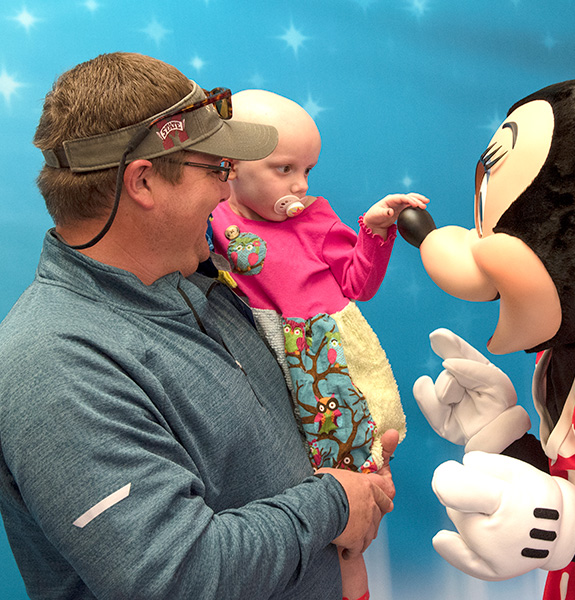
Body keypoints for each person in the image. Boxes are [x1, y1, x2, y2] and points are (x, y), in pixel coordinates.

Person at [0, 52, 397, 600]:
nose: (224, 192)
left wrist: (352, 458)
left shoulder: (207, 288)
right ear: (142, 182)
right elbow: (177, 576)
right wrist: (334, 503)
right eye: (217, 169)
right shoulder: (54, 366)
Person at [208, 89, 428, 600]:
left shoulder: (313, 217)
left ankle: (356, 578)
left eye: (308, 169)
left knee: (357, 497)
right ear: (230, 166)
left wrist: (374, 233)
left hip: (327, 353)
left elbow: (357, 284)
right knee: (302, 494)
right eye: (284, 168)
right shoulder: (213, 219)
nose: (301, 185)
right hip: (265, 360)